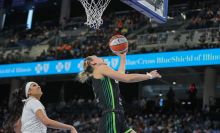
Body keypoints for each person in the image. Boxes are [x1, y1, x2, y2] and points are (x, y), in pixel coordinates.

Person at [77, 51, 162, 133]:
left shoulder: (102, 74)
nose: (102, 57)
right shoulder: (100, 68)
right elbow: (127, 78)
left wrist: (123, 57)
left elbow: (121, 74)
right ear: (93, 63)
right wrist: (149, 76)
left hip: (117, 117)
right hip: (111, 117)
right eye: (97, 57)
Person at [3, 82, 77, 133]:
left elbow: (17, 128)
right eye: (34, 85)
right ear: (29, 92)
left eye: (38, 85)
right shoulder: (34, 102)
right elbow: (47, 122)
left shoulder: (27, 104)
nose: (39, 86)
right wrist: (70, 127)